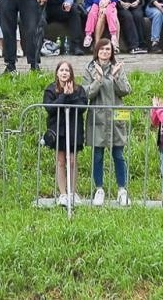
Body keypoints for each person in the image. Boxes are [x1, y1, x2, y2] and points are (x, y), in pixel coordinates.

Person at [83, 39, 130, 207]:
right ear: (97, 51)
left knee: (118, 155)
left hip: (116, 117)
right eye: (102, 49)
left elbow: (126, 90)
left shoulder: (117, 68)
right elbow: (86, 93)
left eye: (108, 49)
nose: (104, 52)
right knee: (97, 156)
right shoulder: (90, 69)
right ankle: (99, 189)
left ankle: (122, 190)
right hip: (98, 118)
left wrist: (116, 77)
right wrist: (99, 79)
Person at [42, 60, 88, 208]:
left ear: (71, 73)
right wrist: (64, 96)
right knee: (61, 161)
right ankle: (62, 194)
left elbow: (82, 107)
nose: (64, 73)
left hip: (74, 129)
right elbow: (49, 108)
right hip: (58, 130)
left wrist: (71, 95)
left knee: (73, 161)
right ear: (57, 73)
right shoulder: (50, 90)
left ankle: (72, 192)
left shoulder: (79, 89)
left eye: (67, 70)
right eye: (61, 70)